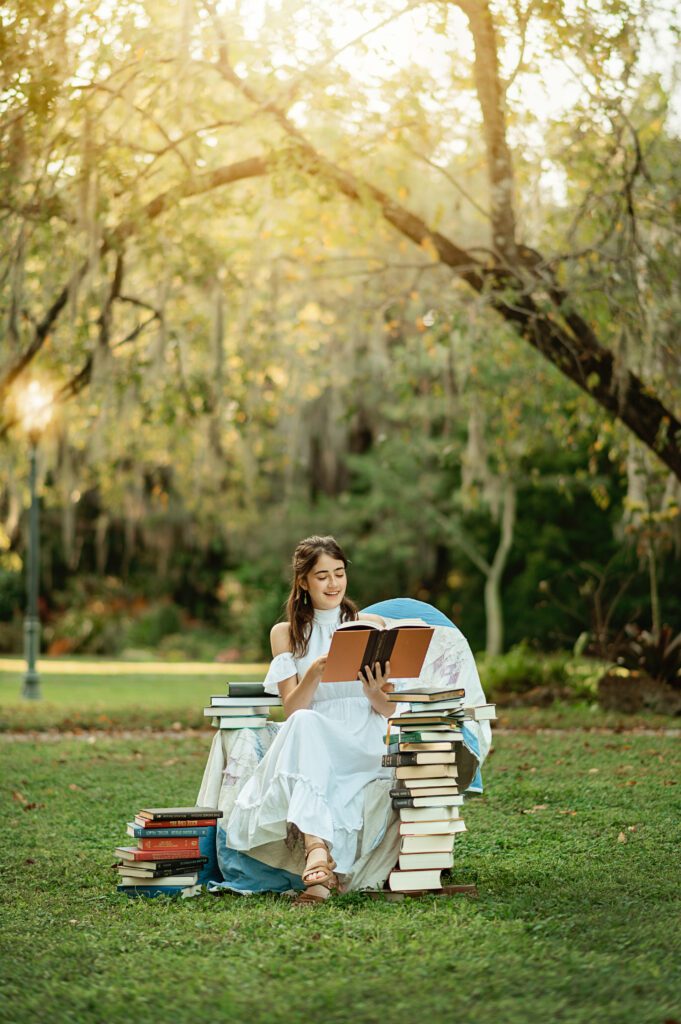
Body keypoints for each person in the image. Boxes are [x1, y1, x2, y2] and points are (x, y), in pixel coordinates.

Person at [225, 535, 395, 902]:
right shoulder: (286, 634)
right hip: (314, 732)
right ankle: (317, 853)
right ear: (303, 581)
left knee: (305, 732)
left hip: (363, 736)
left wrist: (373, 691)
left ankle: (318, 858)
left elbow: (391, 710)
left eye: (339, 573)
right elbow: (292, 709)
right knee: (303, 725)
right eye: (322, 576)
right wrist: (316, 673)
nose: (334, 584)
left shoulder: (370, 623)